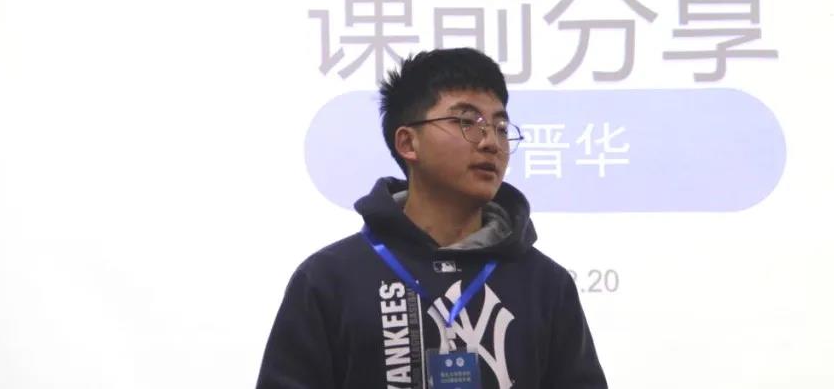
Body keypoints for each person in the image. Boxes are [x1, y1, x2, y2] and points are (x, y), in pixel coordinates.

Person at [256, 47, 607, 389]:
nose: (491, 142)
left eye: (501, 127)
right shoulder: (330, 279)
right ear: (408, 143)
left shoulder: (545, 284)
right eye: (467, 122)